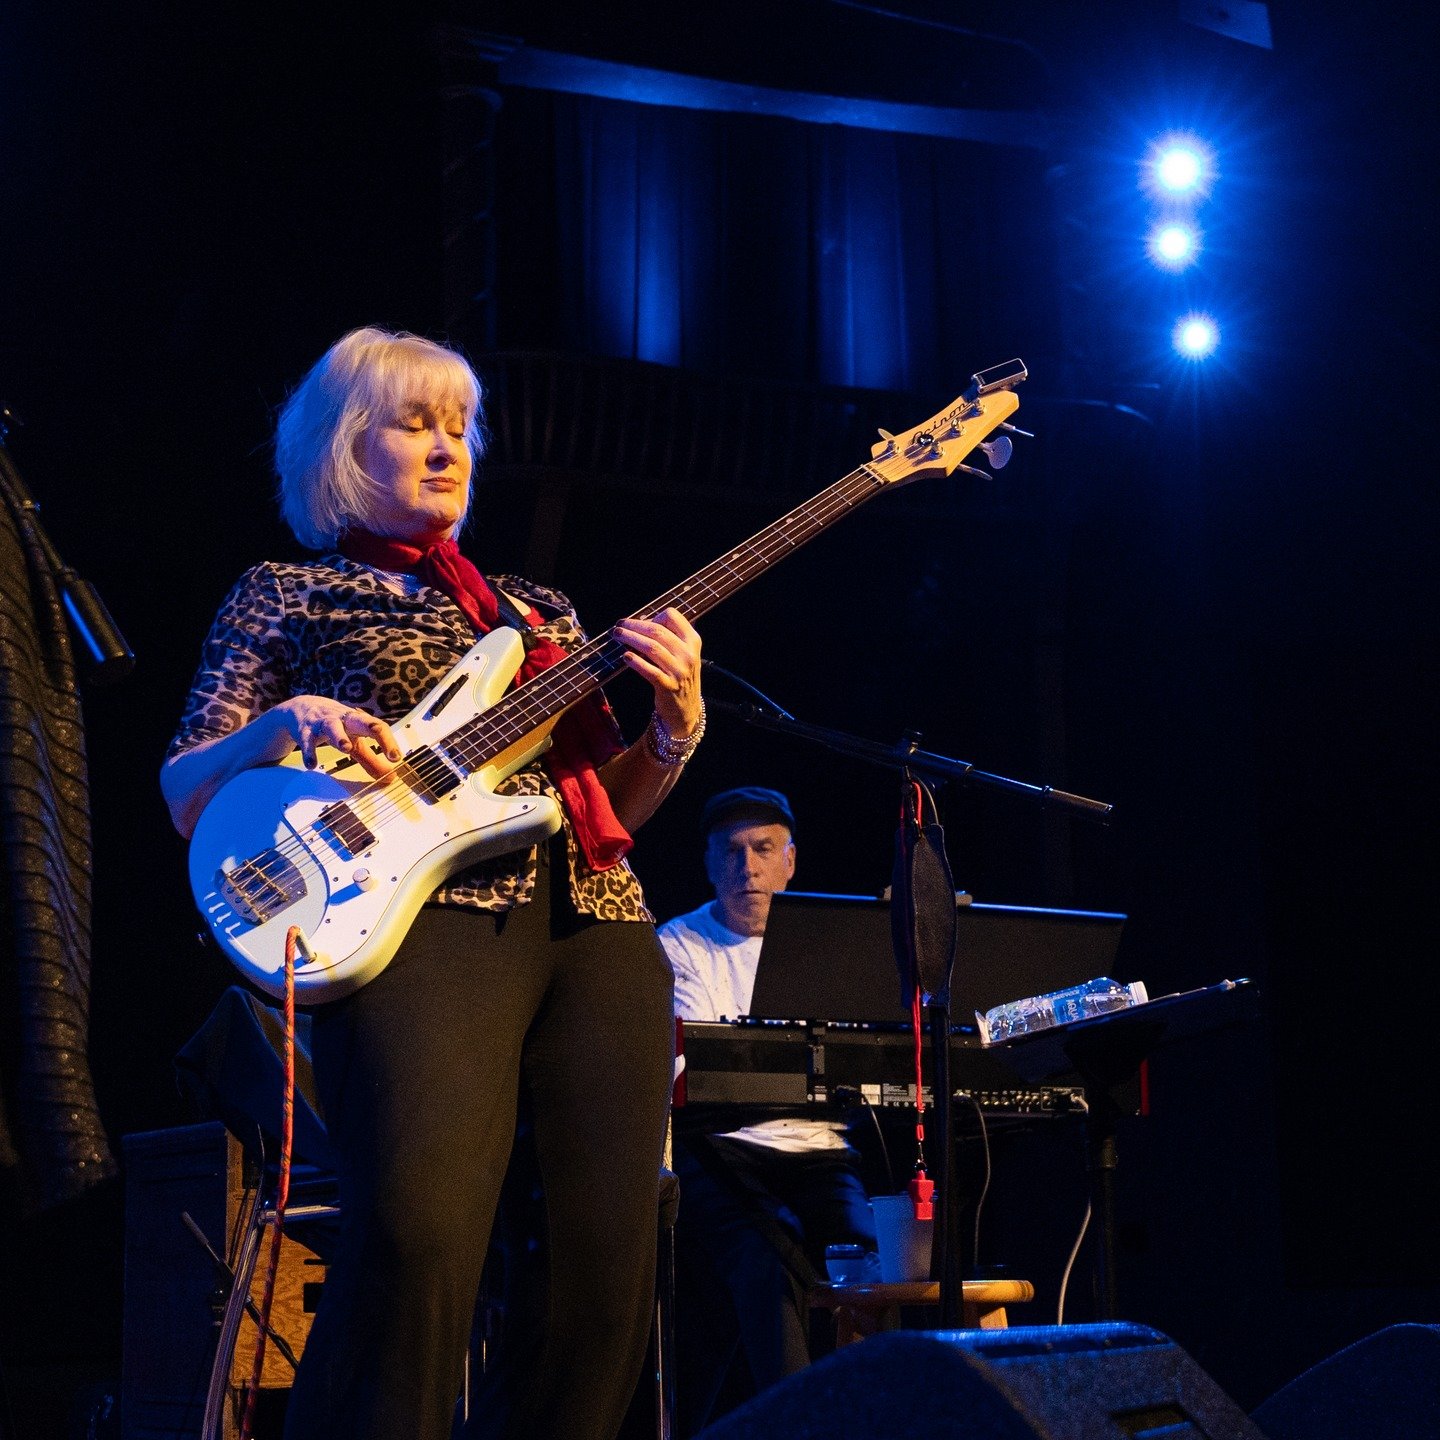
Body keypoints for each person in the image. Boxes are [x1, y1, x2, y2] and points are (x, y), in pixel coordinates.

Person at [160, 326, 705, 1440]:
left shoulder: (536, 611)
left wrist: (674, 730)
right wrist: (276, 728)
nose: (447, 446)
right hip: (419, 936)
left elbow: (610, 812)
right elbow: (182, 787)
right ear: (344, 445)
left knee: (608, 1270)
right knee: (417, 1238)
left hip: (593, 925)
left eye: (460, 426)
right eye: (415, 422)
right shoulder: (285, 594)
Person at [657, 788, 875, 1435]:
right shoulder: (680, 944)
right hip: (720, 1150)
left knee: (862, 1253)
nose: (747, 868)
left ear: (790, 862)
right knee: (764, 1253)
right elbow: (702, 1067)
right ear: (708, 864)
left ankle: (873, 1411)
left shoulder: (823, 944)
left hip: (815, 1147)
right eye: (732, 852)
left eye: (763, 849)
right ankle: (804, 1423)